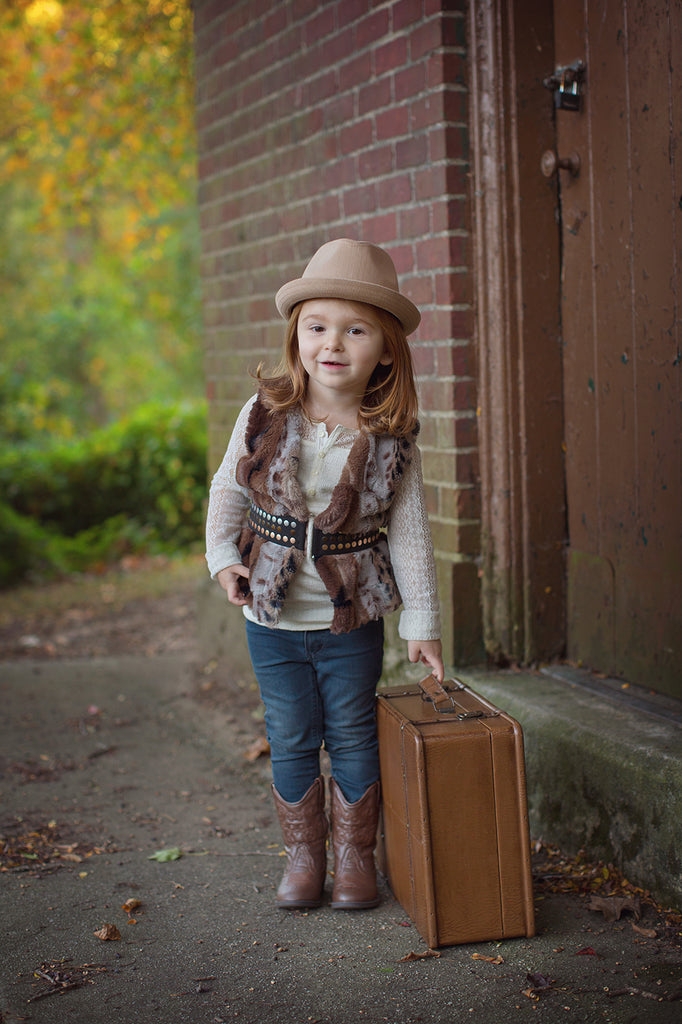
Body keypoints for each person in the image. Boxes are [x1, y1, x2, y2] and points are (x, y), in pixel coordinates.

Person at [205, 238, 443, 912]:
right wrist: (223, 558)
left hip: (350, 623)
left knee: (353, 734)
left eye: (355, 329)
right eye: (317, 326)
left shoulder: (392, 439)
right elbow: (228, 491)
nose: (331, 343)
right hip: (271, 621)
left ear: (386, 349)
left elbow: (412, 536)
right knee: (289, 735)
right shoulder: (263, 414)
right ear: (297, 335)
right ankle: (305, 860)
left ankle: (356, 863)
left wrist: (422, 626)